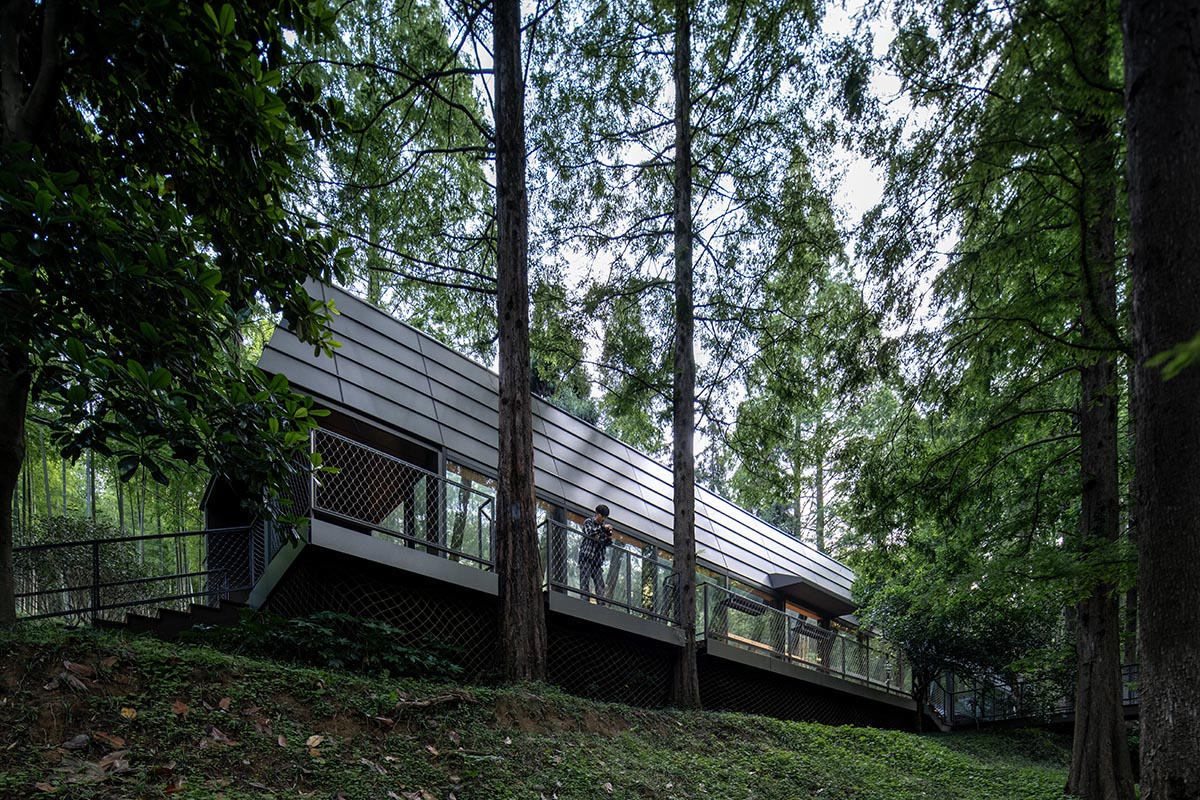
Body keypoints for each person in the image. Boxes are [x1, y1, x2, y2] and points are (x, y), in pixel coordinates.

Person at [578, 504, 613, 600]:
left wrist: (608, 538)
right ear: (597, 514)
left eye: (605, 517)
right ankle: (584, 602)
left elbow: (605, 544)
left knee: (600, 584)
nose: (603, 519)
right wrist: (602, 529)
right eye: (602, 516)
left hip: (597, 561)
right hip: (586, 557)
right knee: (585, 581)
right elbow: (589, 532)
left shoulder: (603, 527)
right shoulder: (589, 522)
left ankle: (601, 604)